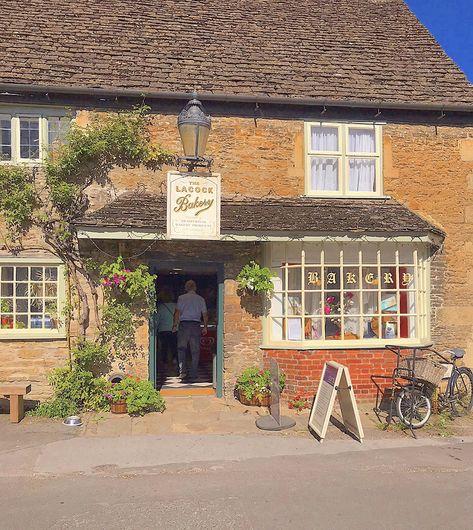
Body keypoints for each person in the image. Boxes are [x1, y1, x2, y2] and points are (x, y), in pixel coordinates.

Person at [172, 279, 208, 381]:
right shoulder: (201, 299)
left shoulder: (181, 298)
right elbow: (205, 314)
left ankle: (182, 371)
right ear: (195, 288)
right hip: (196, 325)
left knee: (181, 348)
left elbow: (177, 312)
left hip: (184, 324)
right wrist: (205, 327)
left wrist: (175, 325)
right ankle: (194, 373)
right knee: (195, 350)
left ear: (186, 288)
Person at [155, 288, 177, 366]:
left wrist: (155, 329)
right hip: (175, 329)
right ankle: (175, 360)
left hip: (163, 330)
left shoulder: (160, 307)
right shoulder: (176, 306)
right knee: (174, 346)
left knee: (164, 347)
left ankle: (164, 362)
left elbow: (157, 319)